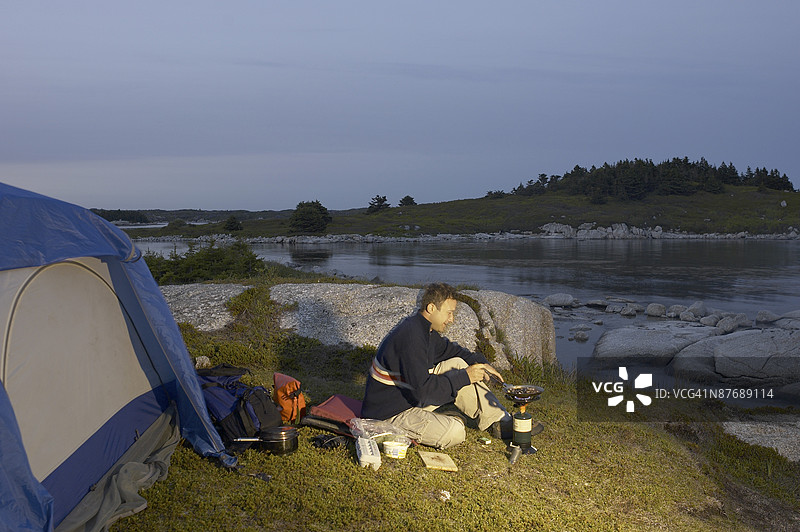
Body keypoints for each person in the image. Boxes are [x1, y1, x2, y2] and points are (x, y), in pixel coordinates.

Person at [361, 283, 512, 449]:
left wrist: (482, 364)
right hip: (388, 413)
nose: (451, 319)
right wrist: (464, 377)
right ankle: (444, 420)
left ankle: (501, 422)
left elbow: (453, 352)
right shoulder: (412, 338)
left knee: (458, 364)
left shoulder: (424, 330)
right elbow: (422, 392)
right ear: (431, 308)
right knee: (455, 432)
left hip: (407, 397)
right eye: (449, 313)